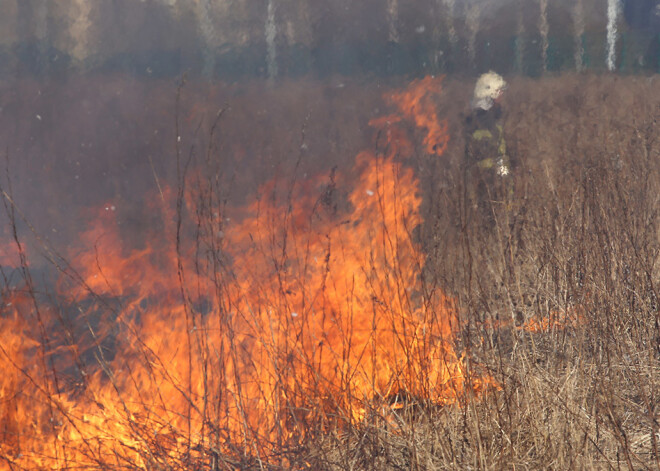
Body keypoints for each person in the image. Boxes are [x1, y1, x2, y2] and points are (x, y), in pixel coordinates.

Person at [463, 71, 510, 227]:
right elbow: (488, 153)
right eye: (499, 94)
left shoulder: (491, 119)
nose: (502, 98)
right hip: (487, 178)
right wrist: (501, 172)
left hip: (491, 176)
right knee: (488, 218)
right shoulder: (483, 121)